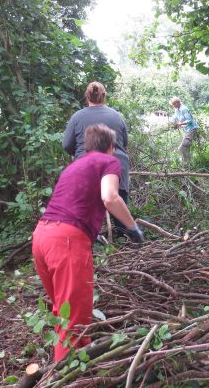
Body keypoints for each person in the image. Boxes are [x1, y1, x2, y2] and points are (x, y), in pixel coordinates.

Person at [33, 124, 145, 362]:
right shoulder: (109, 162)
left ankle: (81, 358)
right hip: (66, 242)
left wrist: (92, 232)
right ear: (111, 147)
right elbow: (110, 197)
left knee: (63, 311)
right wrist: (132, 227)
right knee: (72, 319)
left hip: (42, 237)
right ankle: (67, 374)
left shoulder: (73, 166)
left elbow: (74, 202)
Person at [63, 81, 130, 235]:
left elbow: (67, 145)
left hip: (86, 169)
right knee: (118, 207)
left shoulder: (77, 117)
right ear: (104, 96)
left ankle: (92, 239)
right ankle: (125, 238)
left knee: (86, 211)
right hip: (116, 167)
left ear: (87, 97)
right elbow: (124, 143)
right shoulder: (116, 116)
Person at [170, 97, 199, 164]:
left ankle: (187, 164)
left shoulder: (184, 109)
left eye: (174, 104)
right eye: (173, 104)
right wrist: (171, 124)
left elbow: (189, 120)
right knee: (185, 147)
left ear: (178, 102)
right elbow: (175, 117)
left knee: (182, 147)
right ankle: (187, 163)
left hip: (192, 129)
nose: (173, 106)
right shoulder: (176, 109)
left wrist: (179, 124)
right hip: (186, 130)